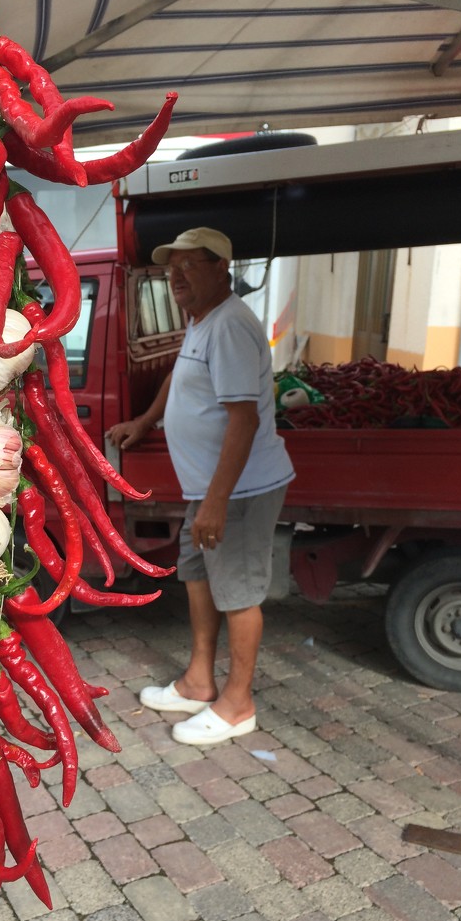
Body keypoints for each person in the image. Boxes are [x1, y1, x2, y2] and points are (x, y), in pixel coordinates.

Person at [106, 227, 294, 745]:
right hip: (209, 491)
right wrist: (146, 421)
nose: (176, 277)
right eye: (172, 269)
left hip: (235, 492)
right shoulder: (203, 321)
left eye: (189, 266)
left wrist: (214, 502)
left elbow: (243, 421)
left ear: (221, 271)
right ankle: (198, 681)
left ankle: (238, 705)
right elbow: (179, 377)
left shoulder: (231, 325)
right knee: (196, 574)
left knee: (237, 592)